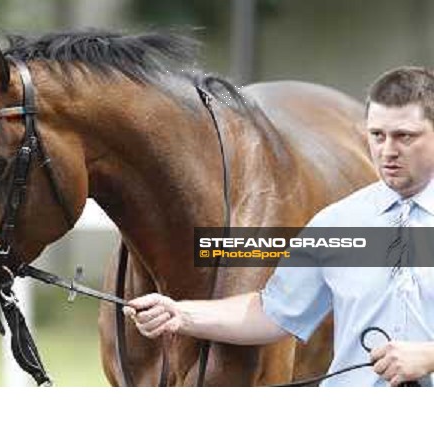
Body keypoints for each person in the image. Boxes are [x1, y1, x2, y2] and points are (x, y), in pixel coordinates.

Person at [125, 67, 434, 386]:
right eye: (377, 135)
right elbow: (273, 312)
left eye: (404, 136)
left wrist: (428, 356)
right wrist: (180, 314)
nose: (387, 151)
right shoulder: (337, 223)